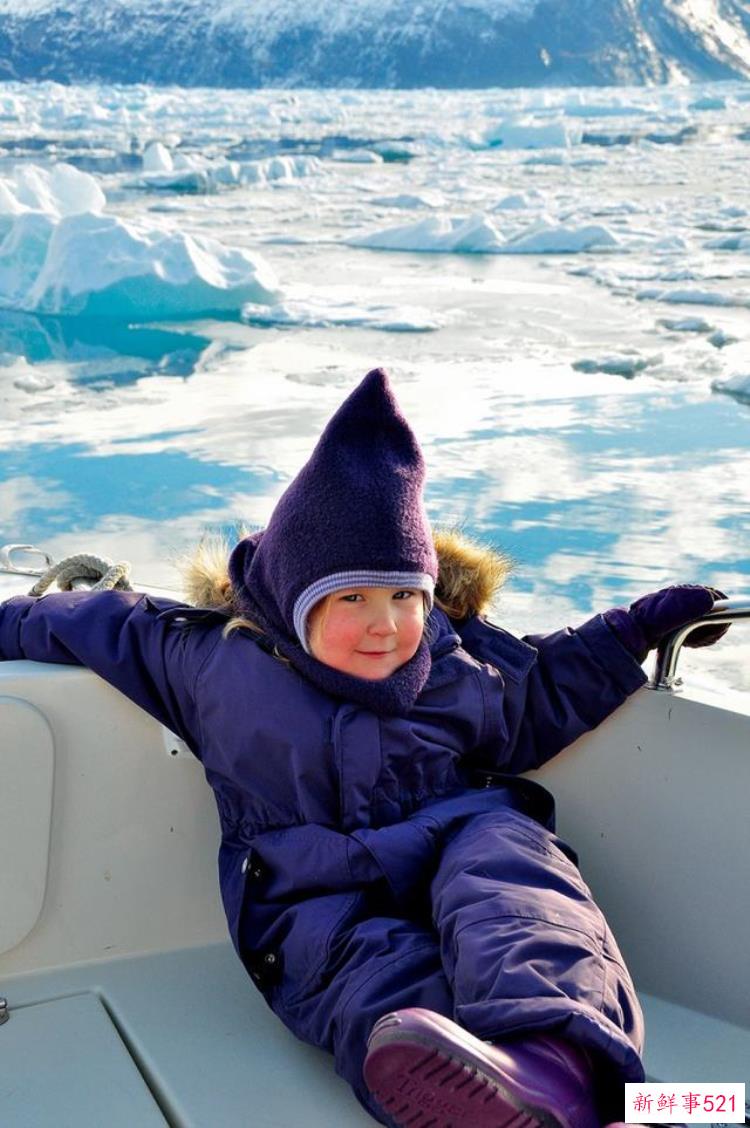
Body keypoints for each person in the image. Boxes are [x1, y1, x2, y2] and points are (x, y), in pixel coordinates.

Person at [0, 369, 727, 1128]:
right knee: (369, 978)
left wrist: (628, 635)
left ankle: (555, 1060)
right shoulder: (215, 660)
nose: (385, 625)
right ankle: (524, 1097)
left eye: (404, 596)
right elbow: (92, 623)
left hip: (454, 835)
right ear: (293, 596)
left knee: (514, 875)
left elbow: (534, 699)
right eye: (352, 599)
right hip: (314, 887)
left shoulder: (453, 660)